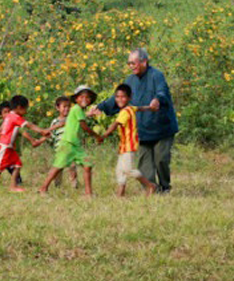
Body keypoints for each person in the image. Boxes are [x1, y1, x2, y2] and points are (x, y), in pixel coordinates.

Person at [90, 48, 178, 193]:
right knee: (145, 165)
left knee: (161, 160)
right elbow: (117, 98)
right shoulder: (130, 80)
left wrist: (157, 100)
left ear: (144, 61)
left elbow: (162, 91)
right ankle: (152, 190)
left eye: (133, 63)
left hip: (162, 128)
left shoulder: (156, 75)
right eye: (129, 63)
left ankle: (165, 187)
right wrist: (100, 107)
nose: (131, 66)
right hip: (142, 131)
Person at [38, 86, 102, 196]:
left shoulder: (79, 111)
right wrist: (97, 136)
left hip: (75, 145)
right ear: (76, 99)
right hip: (67, 143)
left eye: (88, 97)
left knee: (87, 165)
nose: (85, 99)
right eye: (81, 97)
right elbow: (84, 126)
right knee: (58, 167)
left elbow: (66, 123)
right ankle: (43, 189)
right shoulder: (76, 109)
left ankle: (88, 194)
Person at [97, 83, 157, 197]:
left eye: (123, 97)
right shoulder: (130, 108)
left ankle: (150, 186)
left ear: (129, 98)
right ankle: (120, 194)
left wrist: (103, 136)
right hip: (124, 145)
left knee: (128, 170)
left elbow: (115, 125)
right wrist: (150, 108)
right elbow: (139, 108)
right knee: (120, 170)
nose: (120, 99)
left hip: (129, 145)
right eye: (117, 97)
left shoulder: (124, 112)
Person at [0, 95, 51, 193]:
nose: (26, 111)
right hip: (5, 146)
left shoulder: (9, 116)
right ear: (19, 108)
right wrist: (42, 131)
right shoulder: (15, 117)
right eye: (26, 109)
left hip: (10, 147)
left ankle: (13, 186)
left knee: (17, 164)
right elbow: (29, 125)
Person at [49, 96, 78, 188]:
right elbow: (52, 135)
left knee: (72, 167)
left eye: (69, 106)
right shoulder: (55, 122)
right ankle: (57, 185)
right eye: (64, 107)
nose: (67, 109)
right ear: (58, 108)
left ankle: (74, 185)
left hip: (71, 148)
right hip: (60, 149)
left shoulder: (72, 119)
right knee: (59, 168)